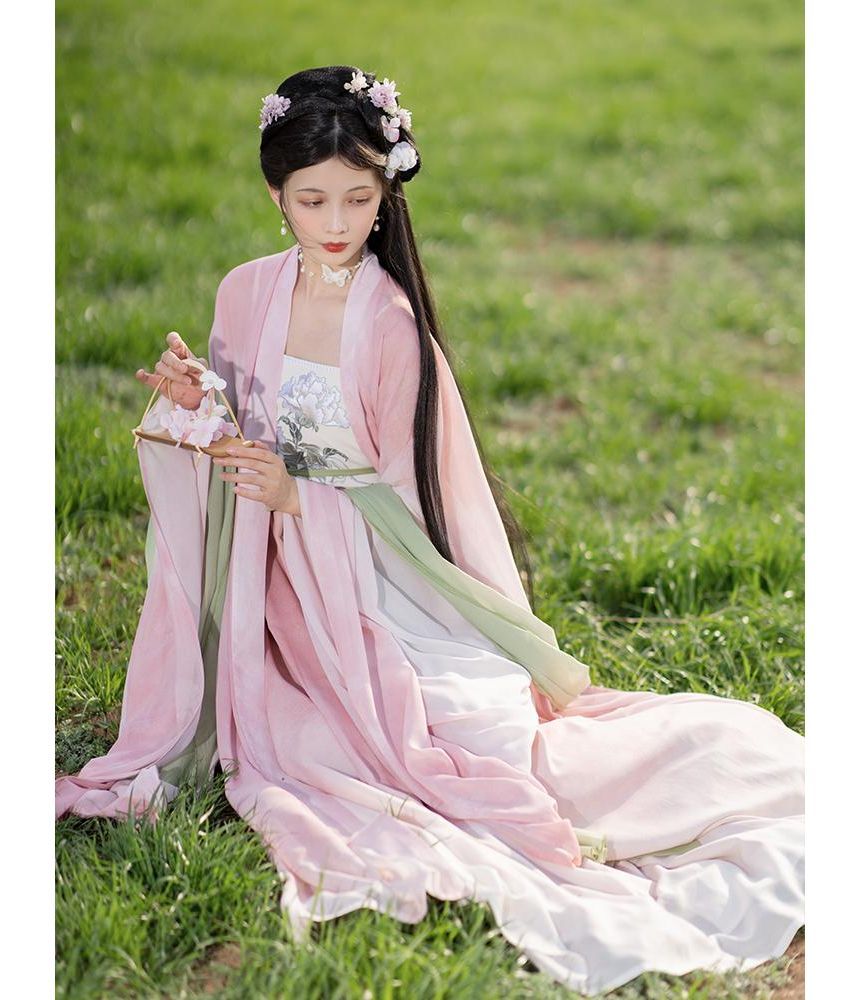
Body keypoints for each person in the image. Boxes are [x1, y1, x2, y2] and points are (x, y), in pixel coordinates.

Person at [55, 66, 804, 995]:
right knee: (309, 741)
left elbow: (411, 512)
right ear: (276, 195)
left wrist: (299, 498)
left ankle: (700, 778)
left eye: (358, 198)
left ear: (387, 192)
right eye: (312, 199)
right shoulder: (244, 292)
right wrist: (195, 400)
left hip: (381, 583)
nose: (337, 221)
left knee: (483, 746)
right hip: (276, 577)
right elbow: (242, 426)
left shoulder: (390, 326)